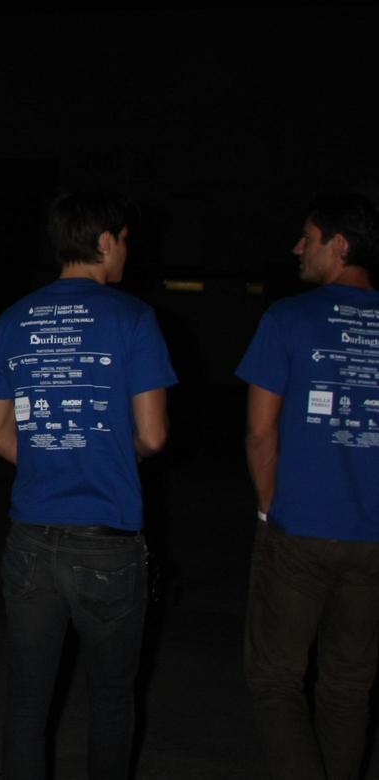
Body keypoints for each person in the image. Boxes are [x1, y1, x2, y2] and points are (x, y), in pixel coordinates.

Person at [0, 191, 176, 780]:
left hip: (30, 542)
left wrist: (51, 458)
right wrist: (107, 454)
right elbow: (154, 435)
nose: (127, 253)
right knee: (112, 698)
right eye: (125, 240)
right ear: (106, 239)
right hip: (108, 543)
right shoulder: (134, 318)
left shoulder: (12, 320)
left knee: (27, 702)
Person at [237, 193, 379, 780]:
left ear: (338, 246)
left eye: (308, 236)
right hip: (374, 542)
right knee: (348, 687)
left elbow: (259, 431)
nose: (298, 247)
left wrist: (271, 506)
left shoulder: (288, 318)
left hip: (299, 532)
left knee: (274, 679)